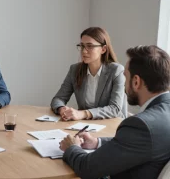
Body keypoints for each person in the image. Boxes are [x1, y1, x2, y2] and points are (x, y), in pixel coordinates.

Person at [60, 45, 170, 179]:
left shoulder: (141, 124)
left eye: (126, 77)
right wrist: (97, 142)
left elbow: (87, 168)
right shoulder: (159, 117)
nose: (124, 84)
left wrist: (72, 147)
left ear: (136, 82)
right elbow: (140, 144)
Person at [51, 27, 126, 120]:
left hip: (112, 125)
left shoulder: (117, 71)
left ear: (103, 49)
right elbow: (58, 99)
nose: (84, 51)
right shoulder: (74, 70)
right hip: (85, 126)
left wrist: (83, 114)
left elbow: (115, 109)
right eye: (82, 46)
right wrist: (62, 109)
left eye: (90, 46)